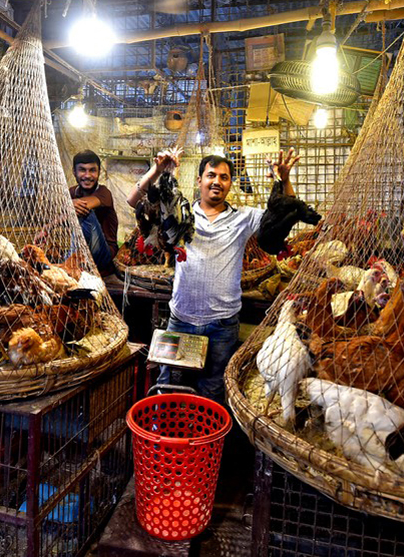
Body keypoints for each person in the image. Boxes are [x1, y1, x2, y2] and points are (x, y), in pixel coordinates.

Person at [127, 147, 301, 404]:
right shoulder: (180, 213)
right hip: (181, 319)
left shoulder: (243, 218)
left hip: (221, 324)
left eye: (224, 177)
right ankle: (172, 438)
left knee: (211, 391)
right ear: (200, 181)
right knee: (167, 386)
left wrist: (284, 180)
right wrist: (158, 170)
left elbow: (286, 218)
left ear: (230, 184)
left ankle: (202, 438)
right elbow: (133, 201)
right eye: (211, 175)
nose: (217, 181)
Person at [69, 150, 118, 274]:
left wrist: (68, 204)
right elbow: (59, 210)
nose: (87, 175)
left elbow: (84, 205)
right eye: (82, 170)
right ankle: (73, 261)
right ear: (74, 172)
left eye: (92, 170)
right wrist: (47, 228)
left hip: (103, 255)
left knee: (85, 212)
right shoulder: (72, 192)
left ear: (99, 172)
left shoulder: (104, 193)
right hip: (80, 250)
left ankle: (74, 263)